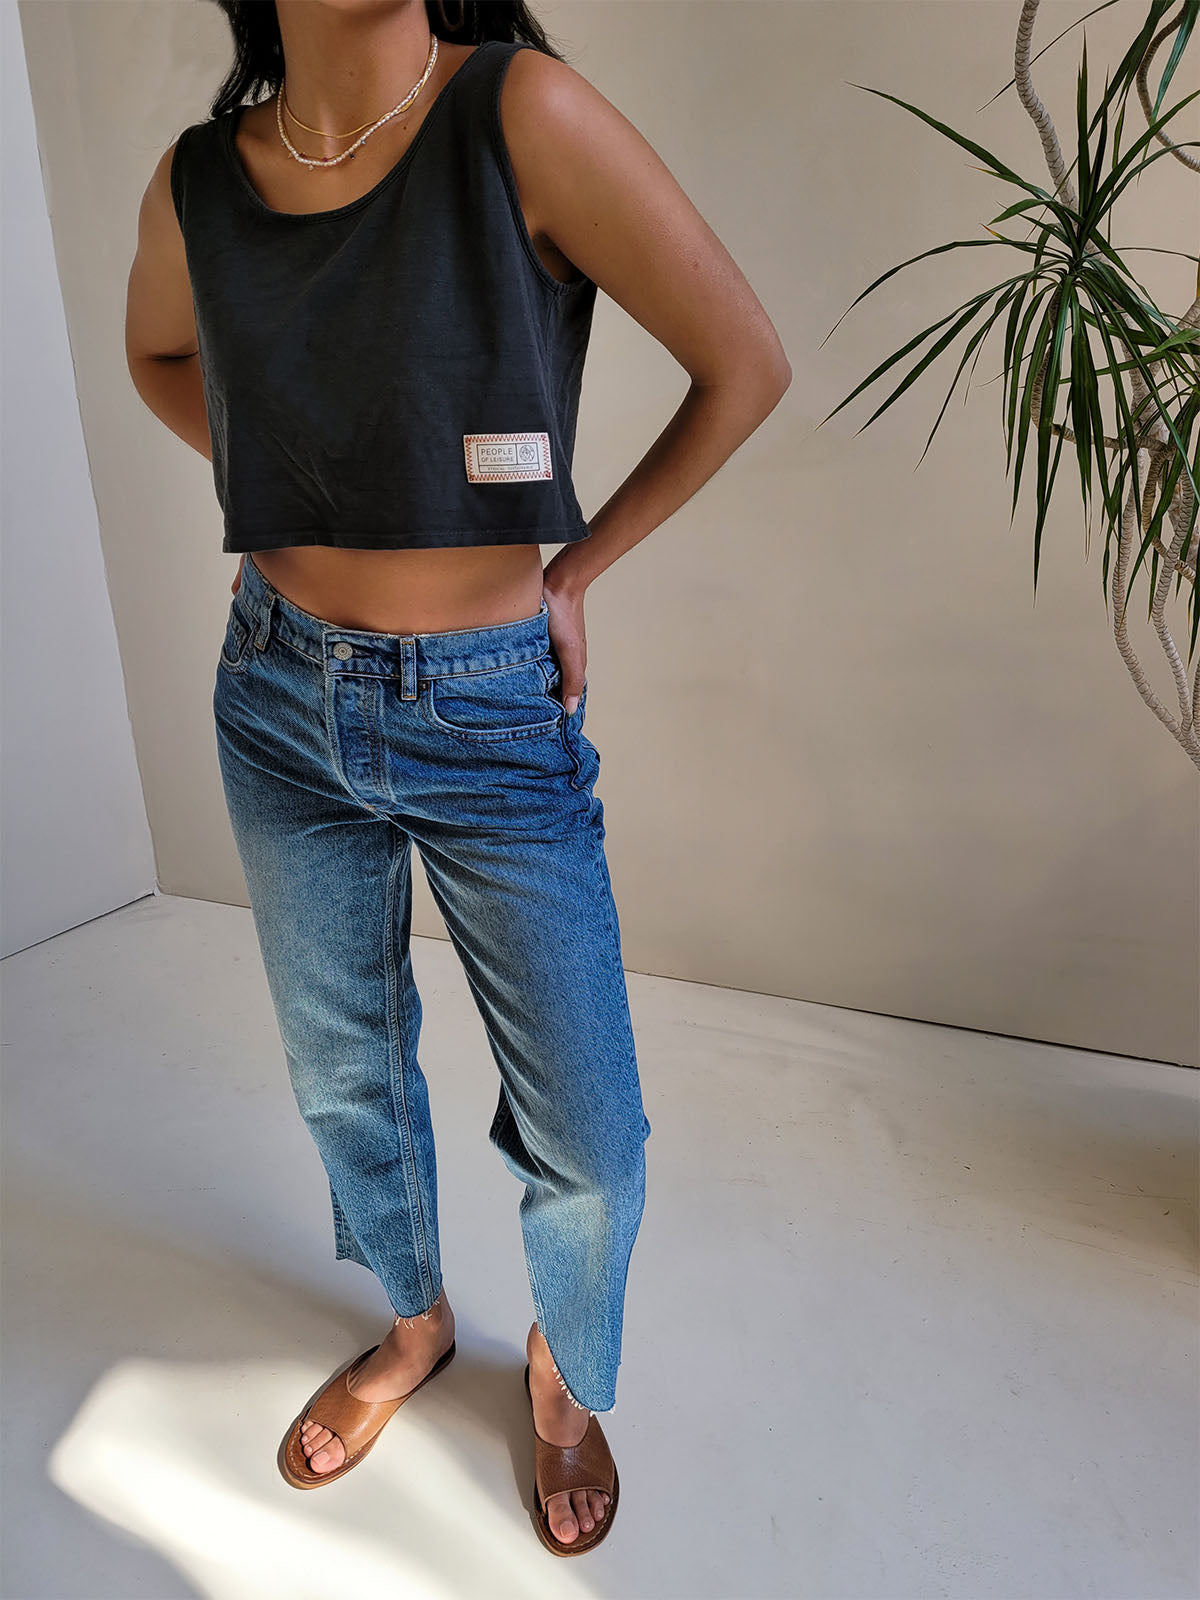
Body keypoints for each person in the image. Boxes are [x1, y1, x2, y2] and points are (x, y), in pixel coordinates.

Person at [126, 0, 790, 1556]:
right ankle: (414, 1320)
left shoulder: (520, 114)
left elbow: (742, 364)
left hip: (490, 710)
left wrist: (574, 573)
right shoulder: (199, 178)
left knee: (594, 1141)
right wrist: (297, 463)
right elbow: (159, 353)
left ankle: (563, 1365)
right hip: (276, 689)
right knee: (343, 1071)